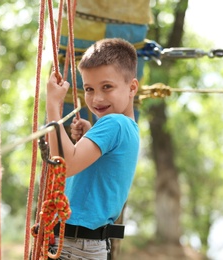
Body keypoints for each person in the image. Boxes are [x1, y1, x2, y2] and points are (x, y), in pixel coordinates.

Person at [46, 38, 140, 260]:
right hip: (86, 245)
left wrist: (52, 106)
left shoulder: (114, 123)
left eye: (107, 87)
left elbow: (66, 165)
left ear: (132, 87)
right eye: (89, 89)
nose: (97, 98)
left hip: (74, 247)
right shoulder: (127, 128)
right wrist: (90, 133)